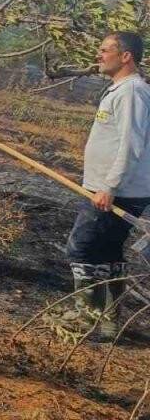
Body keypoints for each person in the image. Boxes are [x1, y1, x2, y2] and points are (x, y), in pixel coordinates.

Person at [59, 31, 150, 342]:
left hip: (117, 191)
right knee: (108, 251)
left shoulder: (132, 92)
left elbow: (131, 145)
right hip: (111, 188)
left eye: (104, 50)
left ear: (125, 56)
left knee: (81, 246)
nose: (98, 55)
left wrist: (110, 186)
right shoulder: (122, 90)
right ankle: (109, 320)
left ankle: (87, 315)